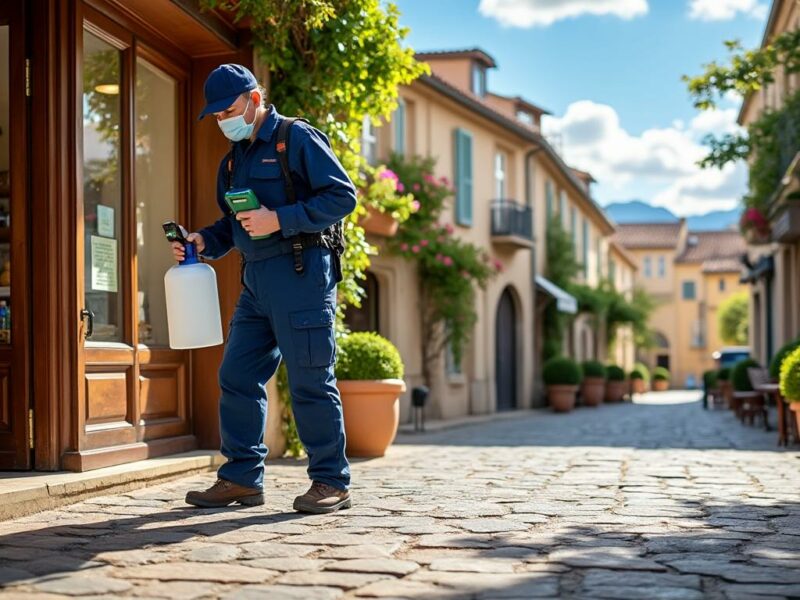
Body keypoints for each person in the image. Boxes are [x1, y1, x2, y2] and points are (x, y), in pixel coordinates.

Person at [173, 64, 355, 514]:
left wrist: (281, 218)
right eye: (215, 116)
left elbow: (342, 197)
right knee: (236, 375)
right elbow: (231, 224)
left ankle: (331, 482)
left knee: (311, 381)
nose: (222, 121)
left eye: (228, 111)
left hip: (302, 278)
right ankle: (241, 479)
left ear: (255, 99)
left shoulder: (296, 139)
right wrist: (202, 242)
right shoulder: (234, 160)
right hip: (256, 283)